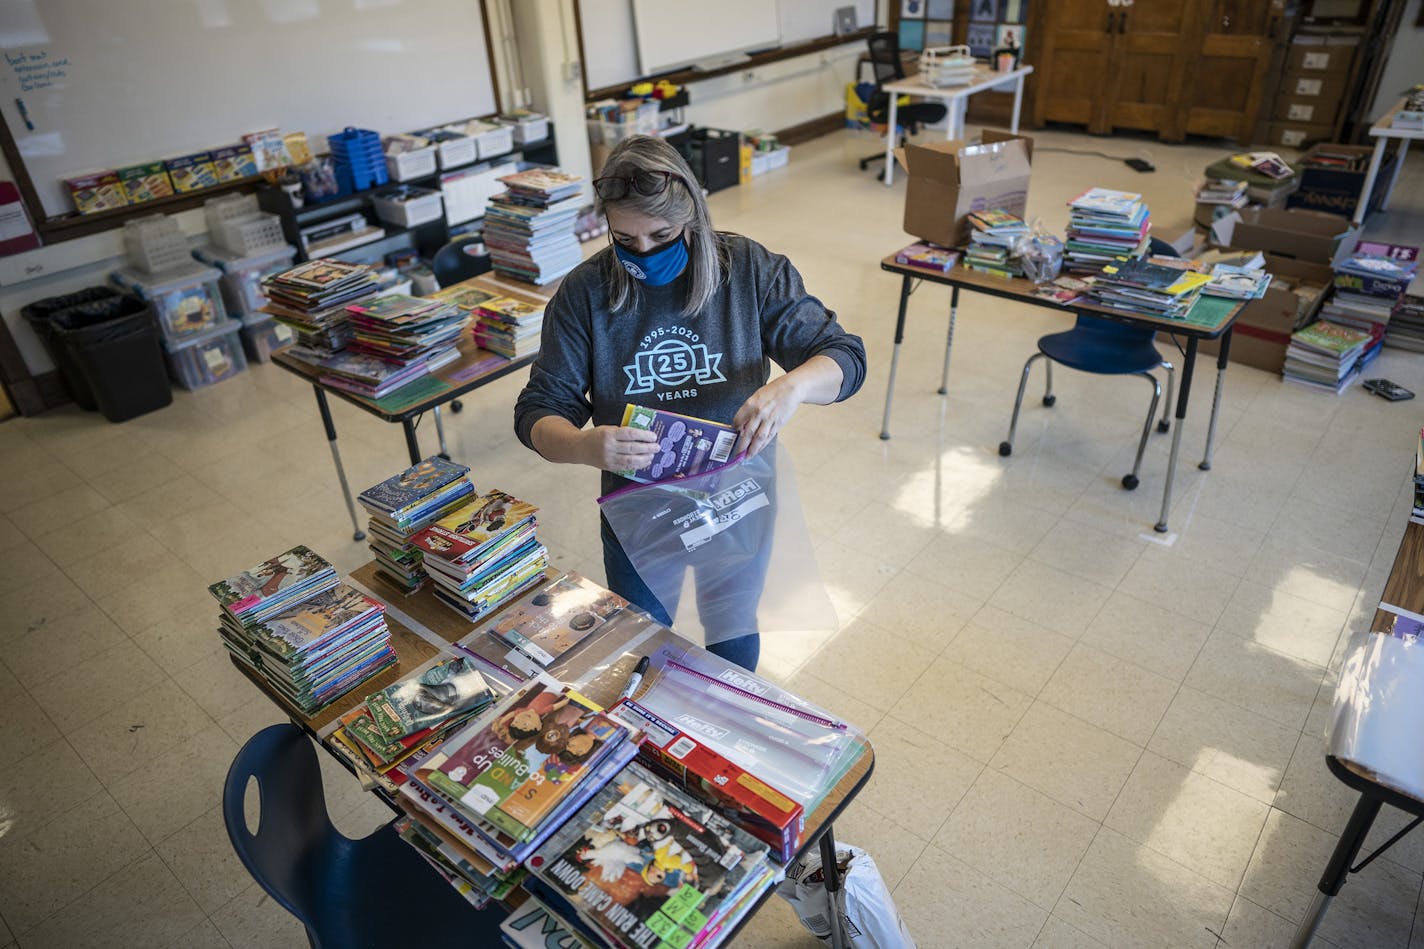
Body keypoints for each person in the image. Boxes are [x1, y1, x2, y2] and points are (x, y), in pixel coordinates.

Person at [514, 135, 866, 672]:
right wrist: (584, 445)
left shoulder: (747, 269)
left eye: (663, 234)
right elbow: (538, 410)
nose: (646, 252)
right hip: (638, 504)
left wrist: (789, 388)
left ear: (694, 216)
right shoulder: (586, 293)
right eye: (625, 238)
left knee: (732, 625)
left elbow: (844, 358)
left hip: (736, 493)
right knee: (640, 638)